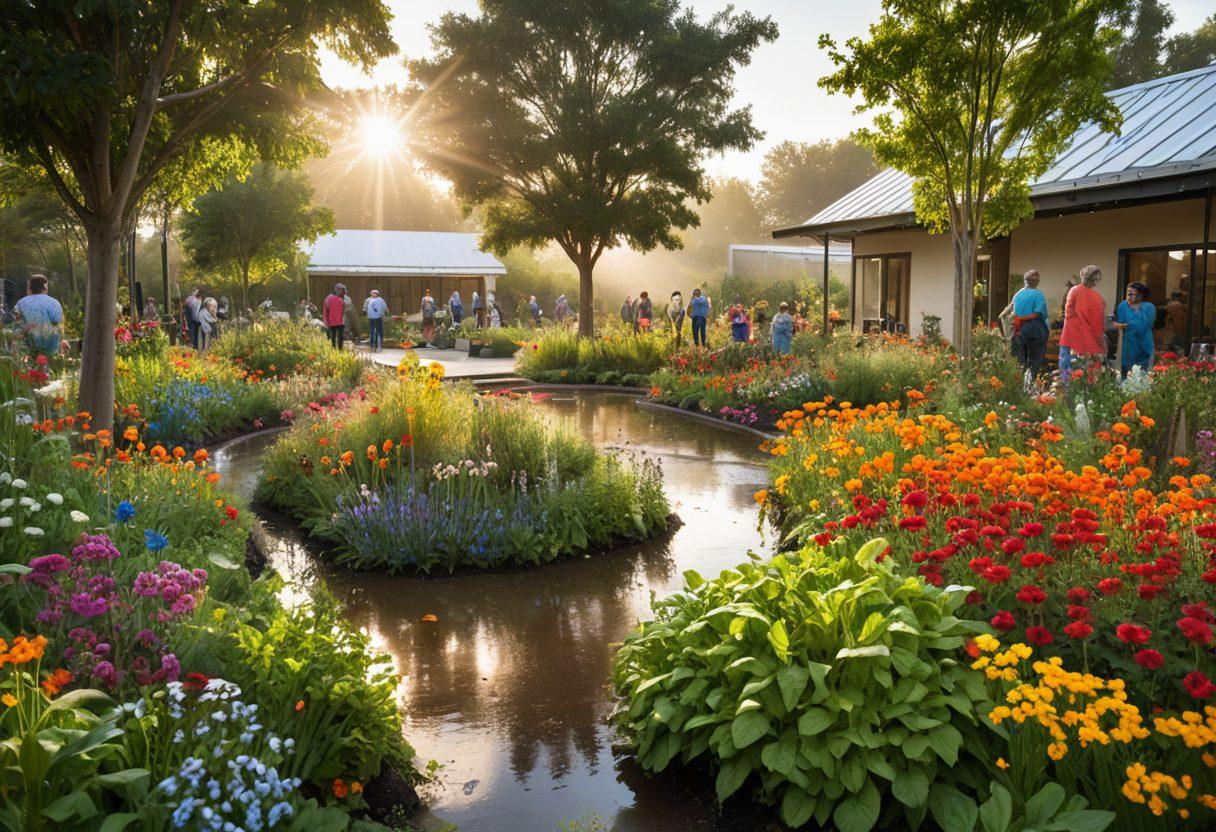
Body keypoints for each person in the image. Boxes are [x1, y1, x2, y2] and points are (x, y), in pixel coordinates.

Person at [1059, 264, 1107, 384]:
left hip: (1068, 339)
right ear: (1096, 280)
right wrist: (1101, 344)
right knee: (1086, 380)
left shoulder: (1073, 290)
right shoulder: (1097, 298)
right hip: (1087, 343)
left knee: (1067, 376)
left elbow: (1068, 313)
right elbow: (1098, 326)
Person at [1004, 269, 1049, 386]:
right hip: (1034, 332)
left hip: (1018, 332)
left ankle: (1019, 388)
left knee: (1020, 364)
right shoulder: (1038, 295)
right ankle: (1031, 388)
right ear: (1035, 282)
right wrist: (1024, 318)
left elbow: (1013, 313)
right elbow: (1037, 314)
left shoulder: (1018, 294)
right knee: (1035, 362)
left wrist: (1018, 319)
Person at [13, 274, 63, 356]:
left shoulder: (20, 303)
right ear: (45, 287)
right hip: (50, 348)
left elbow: (17, 323)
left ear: (30, 287)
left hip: (27, 348)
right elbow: (57, 320)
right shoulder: (54, 303)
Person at [1115, 281, 1155, 376]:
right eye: (1128, 294)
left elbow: (1145, 325)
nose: (1129, 296)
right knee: (1126, 376)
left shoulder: (1149, 307)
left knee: (1144, 376)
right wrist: (1124, 325)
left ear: (1141, 296)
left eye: (1133, 294)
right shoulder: (1122, 306)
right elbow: (1122, 322)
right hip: (1128, 346)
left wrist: (1127, 325)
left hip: (1145, 345)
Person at [323, 283, 347, 349]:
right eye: (341, 291)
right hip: (332, 321)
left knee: (341, 336)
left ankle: (340, 350)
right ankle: (333, 349)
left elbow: (346, 309)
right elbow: (326, 310)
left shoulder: (343, 298)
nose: (342, 292)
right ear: (337, 290)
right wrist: (325, 320)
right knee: (333, 336)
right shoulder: (329, 298)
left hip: (341, 321)